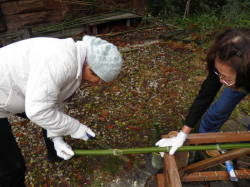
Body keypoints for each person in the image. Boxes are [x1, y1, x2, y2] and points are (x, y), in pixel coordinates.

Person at [0, 35, 123, 186]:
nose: (97, 83)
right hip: (5, 94)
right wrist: (75, 127)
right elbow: (38, 111)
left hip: (15, 93)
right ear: (89, 66)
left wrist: (56, 137)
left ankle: (54, 152)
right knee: (12, 168)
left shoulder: (73, 59)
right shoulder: (60, 63)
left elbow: (52, 101)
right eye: (98, 78)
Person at [156, 28, 250, 155]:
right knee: (220, 109)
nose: (221, 80)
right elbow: (205, 95)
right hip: (240, 79)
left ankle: (244, 150)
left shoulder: (242, 69)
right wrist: (183, 133)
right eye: (218, 73)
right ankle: (205, 141)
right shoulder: (224, 60)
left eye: (226, 77)